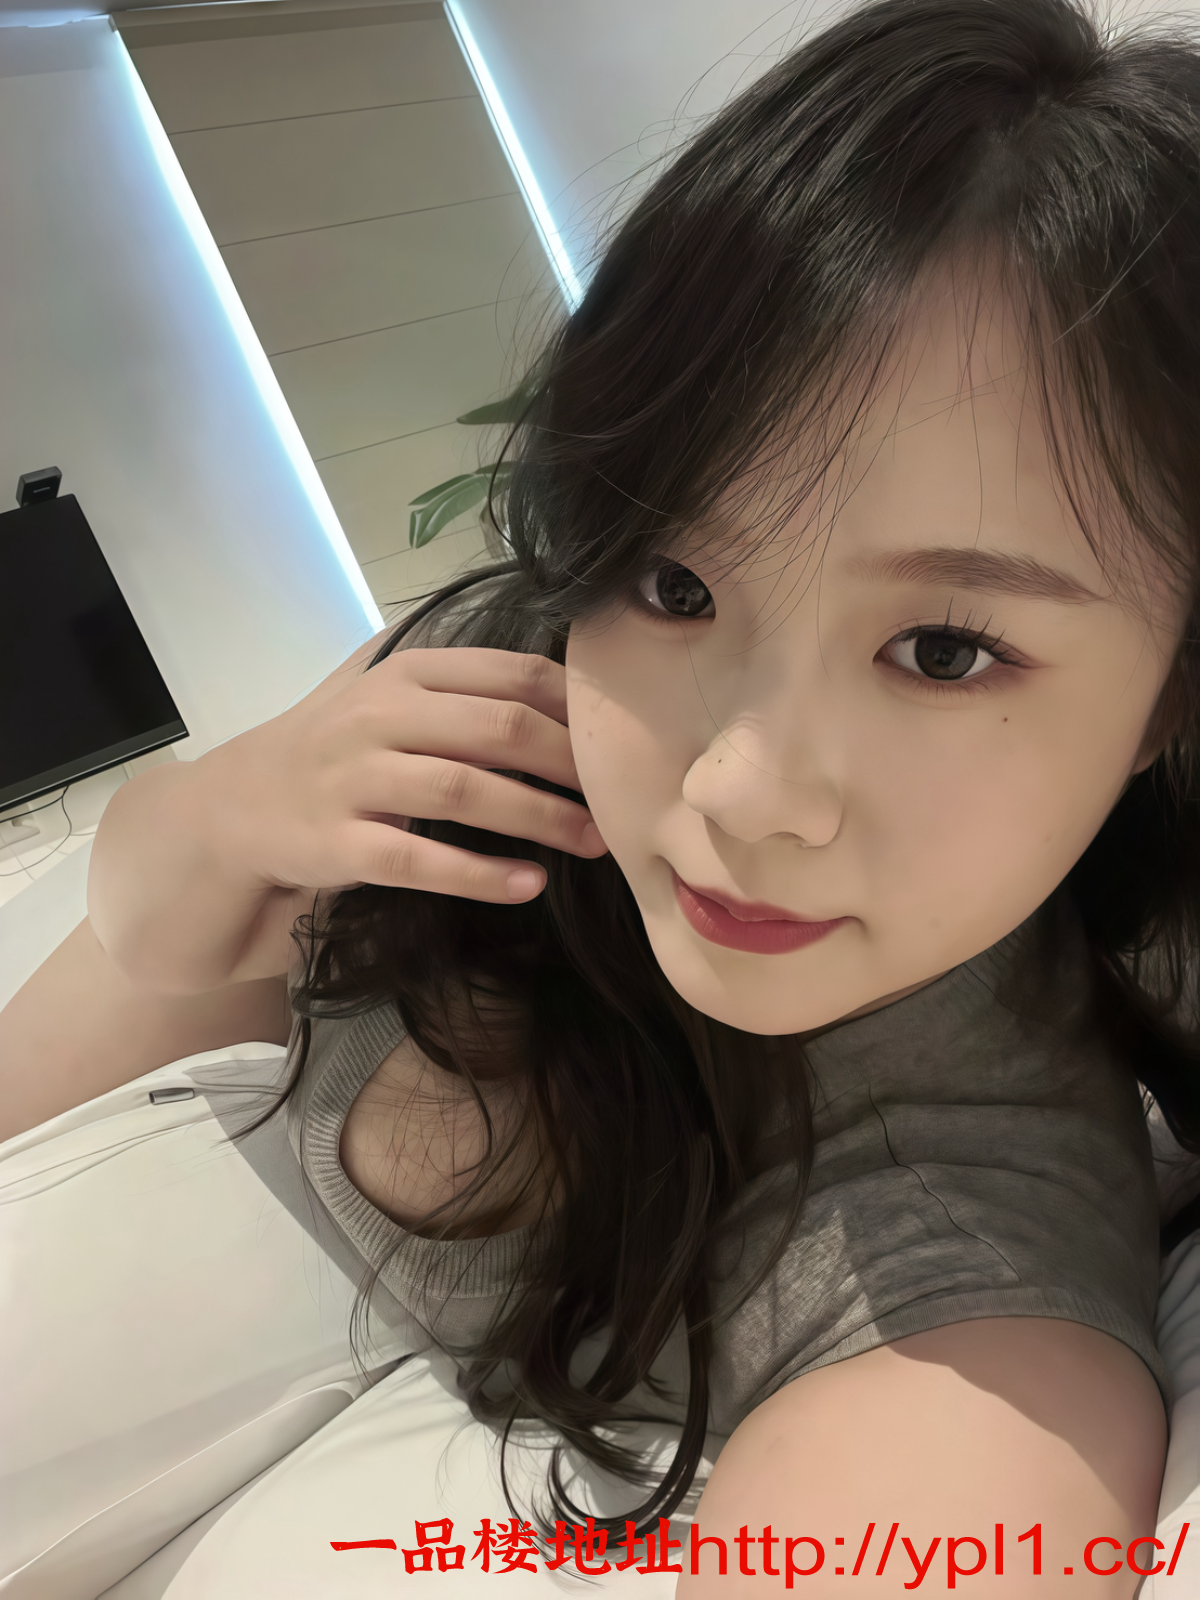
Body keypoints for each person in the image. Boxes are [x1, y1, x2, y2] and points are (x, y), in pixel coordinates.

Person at [6, 0, 1200, 1589]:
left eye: (943, 649)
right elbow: (92, 1012)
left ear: (1167, 698)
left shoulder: (980, 1273)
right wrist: (209, 822)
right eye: (675, 581)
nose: (740, 791)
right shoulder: (492, 691)